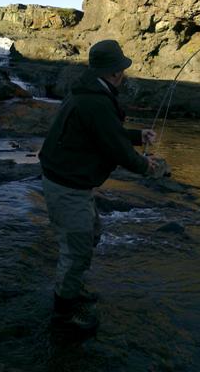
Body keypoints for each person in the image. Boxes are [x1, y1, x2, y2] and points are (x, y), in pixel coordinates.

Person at [39, 39, 157, 332]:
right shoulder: (95, 100)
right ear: (116, 72)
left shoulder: (89, 92)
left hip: (69, 182)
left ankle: (72, 289)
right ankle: (64, 315)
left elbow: (106, 133)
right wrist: (147, 166)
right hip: (68, 186)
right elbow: (114, 146)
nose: (124, 74)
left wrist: (138, 136)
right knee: (77, 249)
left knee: (89, 234)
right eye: (122, 68)